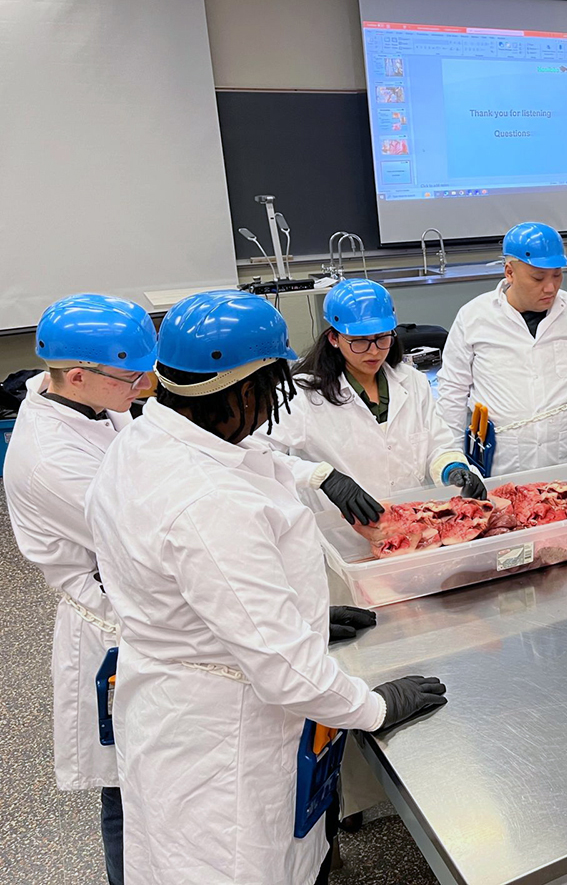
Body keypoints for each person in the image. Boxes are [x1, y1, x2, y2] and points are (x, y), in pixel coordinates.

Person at [84, 290, 447, 885]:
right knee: (237, 866)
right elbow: (284, 670)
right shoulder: (208, 503)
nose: (273, 411)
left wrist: (303, 611)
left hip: (178, 695)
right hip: (223, 736)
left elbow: (262, 466)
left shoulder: (148, 439)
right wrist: (376, 707)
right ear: (246, 389)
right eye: (273, 391)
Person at [5, 294, 158, 885]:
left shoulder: (96, 407)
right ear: (77, 376)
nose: (145, 384)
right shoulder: (49, 459)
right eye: (130, 375)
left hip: (139, 603)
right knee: (126, 792)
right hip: (110, 624)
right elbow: (146, 534)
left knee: (158, 774)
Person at [255, 278, 485, 513]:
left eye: (382, 338)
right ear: (334, 338)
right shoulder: (302, 393)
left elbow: (437, 444)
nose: (374, 351)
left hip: (410, 525)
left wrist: (451, 467)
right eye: (360, 342)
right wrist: (321, 477)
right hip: (342, 535)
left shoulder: (412, 381)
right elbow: (256, 454)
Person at [438, 222, 567, 476]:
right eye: (538, 277)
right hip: (501, 466)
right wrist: (452, 459)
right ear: (509, 272)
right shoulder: (473, 317)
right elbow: (452, 393)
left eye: (557, 274)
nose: (550, 287)